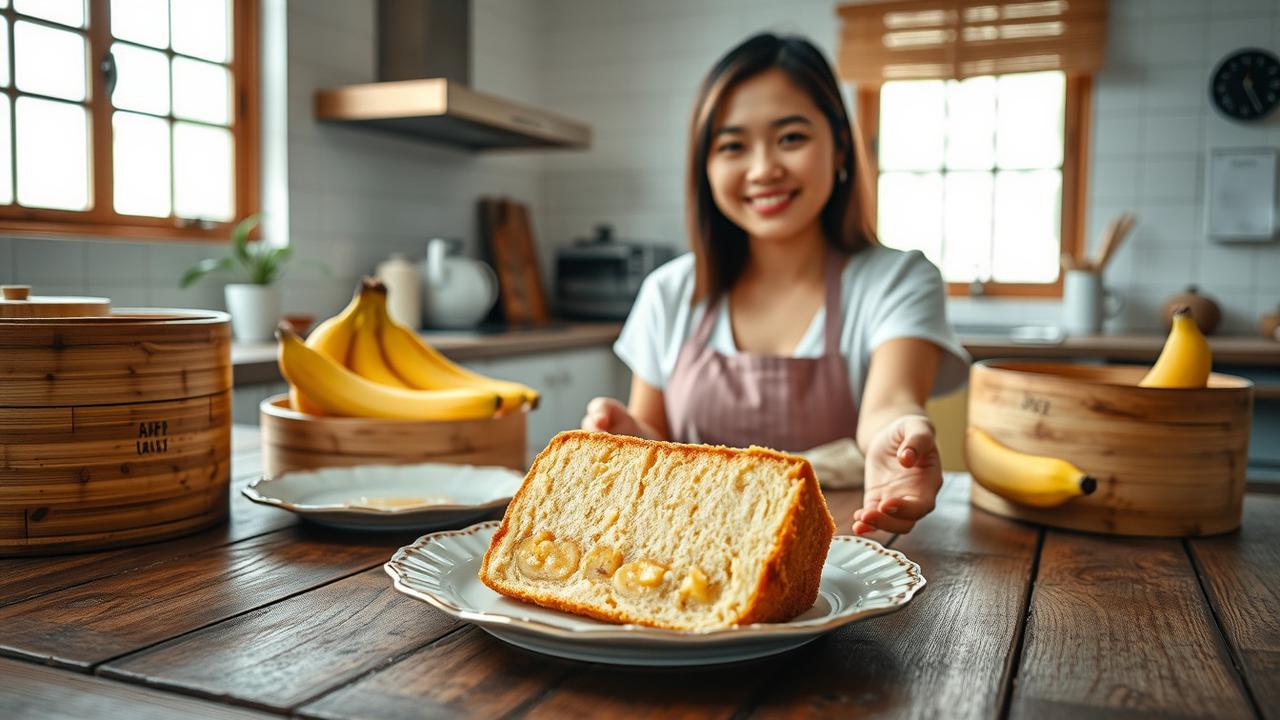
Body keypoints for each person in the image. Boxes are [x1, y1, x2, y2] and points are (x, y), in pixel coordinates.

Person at [580, 33, 969, 536]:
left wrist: (894, 438)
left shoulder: (897, 280)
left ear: (841, 149)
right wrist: (631, 438)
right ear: (707, 167)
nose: (764, 169)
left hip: (841, 552)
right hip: (683, 550)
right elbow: (656, 438)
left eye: (791, 138)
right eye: (733, 146)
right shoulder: (668, 292)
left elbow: (889, 403)